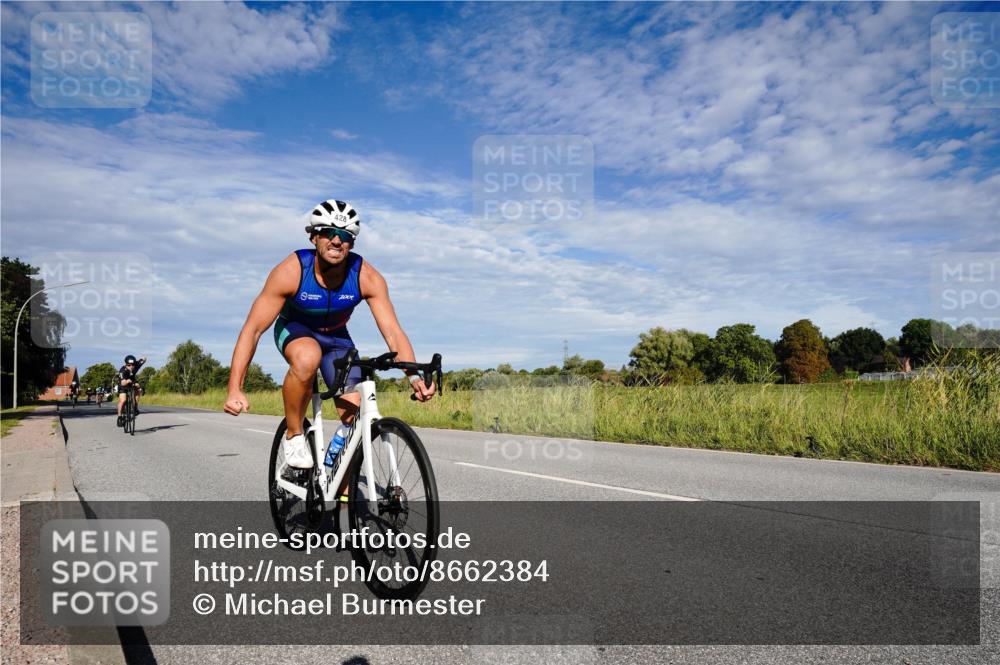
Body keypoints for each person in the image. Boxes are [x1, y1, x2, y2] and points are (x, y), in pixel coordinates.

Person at [224, 199, 435, 479]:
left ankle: (339, 495)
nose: (337, 240)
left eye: (346, 235)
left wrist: (414, 377)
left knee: (354, 417)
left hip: (337, 338)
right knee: (307, 357)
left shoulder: (366, 276)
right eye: (328, 232)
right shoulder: (292, 270)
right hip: (295, 329)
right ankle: (294, 435)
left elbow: (394, 332)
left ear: (352, 243)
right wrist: (235, 388)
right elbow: (252, 329)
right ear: (314, 236)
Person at [116, 355, 146, 426]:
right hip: (123, 384)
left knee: (138, 389)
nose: (131, 366)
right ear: (126, 364)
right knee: (123, 400)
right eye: (128, 365)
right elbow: (123, 383)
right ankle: (119, 417)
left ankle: (135, 406)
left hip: (132, 382)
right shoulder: (122, 370)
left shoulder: (136, 365)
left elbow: (144, 359)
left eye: (132, 365)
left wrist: (143, 358)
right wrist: (127, 381)